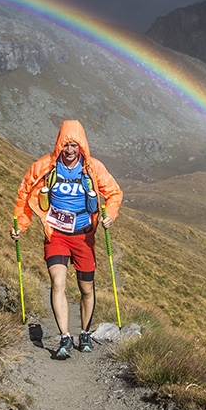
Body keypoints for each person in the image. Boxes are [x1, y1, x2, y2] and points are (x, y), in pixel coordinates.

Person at [11, 120, 123, 359]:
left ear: (81, 146)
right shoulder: (44, 167)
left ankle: (84, 333)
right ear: (59, 145)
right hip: (56, 233)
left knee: (86, 289)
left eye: (74, 145)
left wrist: (110, 216)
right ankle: (64, 337)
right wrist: (21, 225)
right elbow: (24, 194)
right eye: (66, 145)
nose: (70, 150)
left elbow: (114, 193)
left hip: (84, 235)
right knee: (58, 282)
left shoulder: (93, 168)